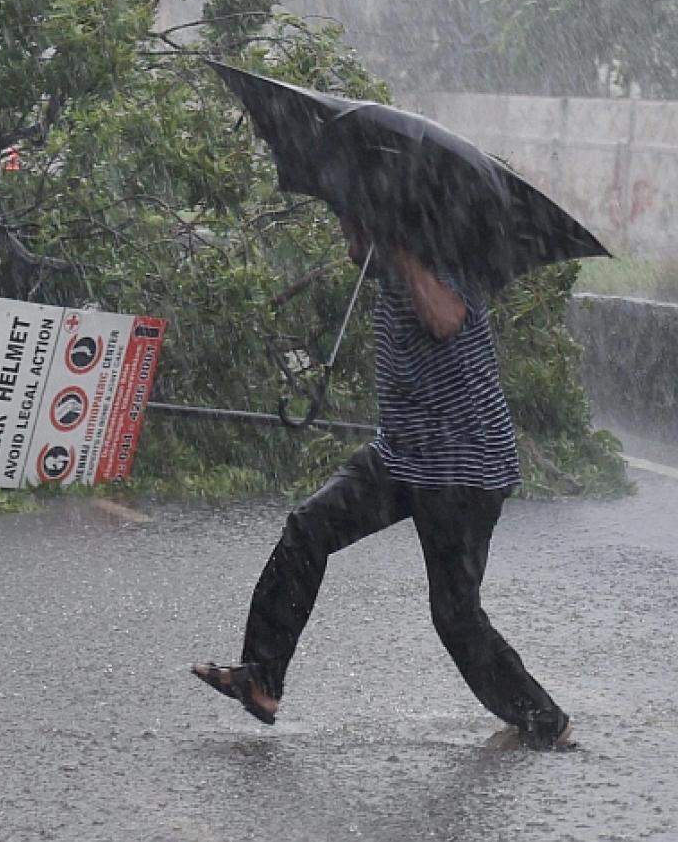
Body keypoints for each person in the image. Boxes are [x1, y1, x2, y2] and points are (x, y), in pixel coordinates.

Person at [192, 216, 573, 750]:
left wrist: (399, 250)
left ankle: (545, 722)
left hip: (461, 466)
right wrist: (381, 247)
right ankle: (262, 679)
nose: (350, 241)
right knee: (309, 529)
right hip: (403, 453)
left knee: (456, 616)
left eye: (357, 226)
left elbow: (447, 317)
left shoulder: (440, 253)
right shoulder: (394, 260)